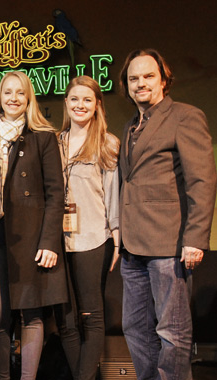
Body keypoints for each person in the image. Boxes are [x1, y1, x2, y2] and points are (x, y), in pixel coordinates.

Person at [118, 49, 217, 380]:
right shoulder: (131, 126)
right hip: (133, 248)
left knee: (172, 333)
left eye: (148, 76)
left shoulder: (185, 116)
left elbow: (201, 181)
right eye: (134, 78)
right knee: (136, 329)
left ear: (163, 79)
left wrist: (195, 239)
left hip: (169, 245)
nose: (140, 83)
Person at [0, 71, 67, 380]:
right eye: (8, 92)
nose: (14, 98)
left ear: (29, 98)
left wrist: (49, 242)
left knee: (31, 312)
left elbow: (55, 194)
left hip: (31, 236)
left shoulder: (43, 136)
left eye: (21, 93)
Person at [56, 76, 120, 380]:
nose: (80, 105)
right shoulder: (55, 141)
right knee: (66, 321)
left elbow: (113, 194)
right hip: (58, 242)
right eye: (75, 99)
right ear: (66, 103)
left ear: (97, 106)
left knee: (91, 317)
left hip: (94, 238)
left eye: (87, 100)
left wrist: (117, 239)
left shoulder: (107, 142)